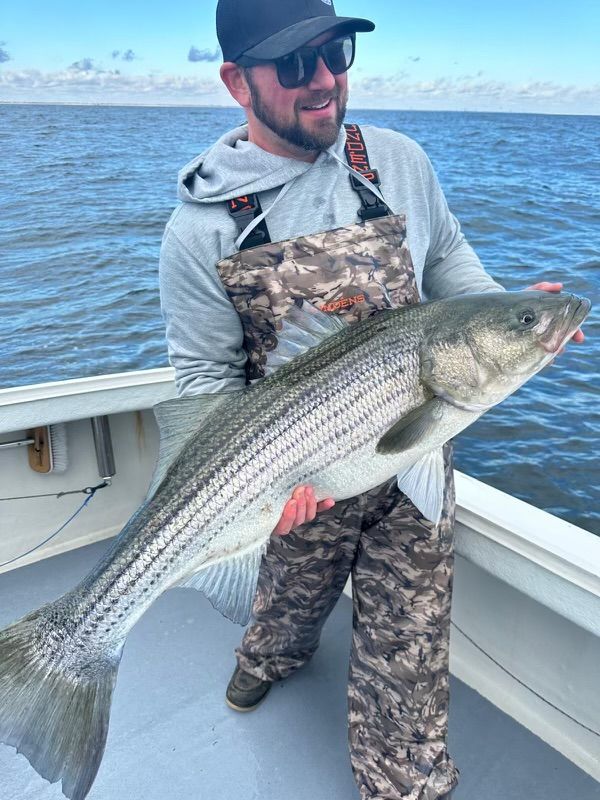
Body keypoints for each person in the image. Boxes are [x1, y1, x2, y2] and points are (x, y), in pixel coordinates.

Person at [158, 2, 583, 797]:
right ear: (234, 82)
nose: (323, 80)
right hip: (292, 469)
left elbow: (448, 259)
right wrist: (253, 486)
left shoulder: (395, 160)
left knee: (410, 646)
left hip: (416, 449)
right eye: (292, 65)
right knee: (287, 603)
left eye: (335, 51)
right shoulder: (201, 229)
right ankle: (268, 660)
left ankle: (405, 780)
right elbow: (205, 382)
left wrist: (512, 310)